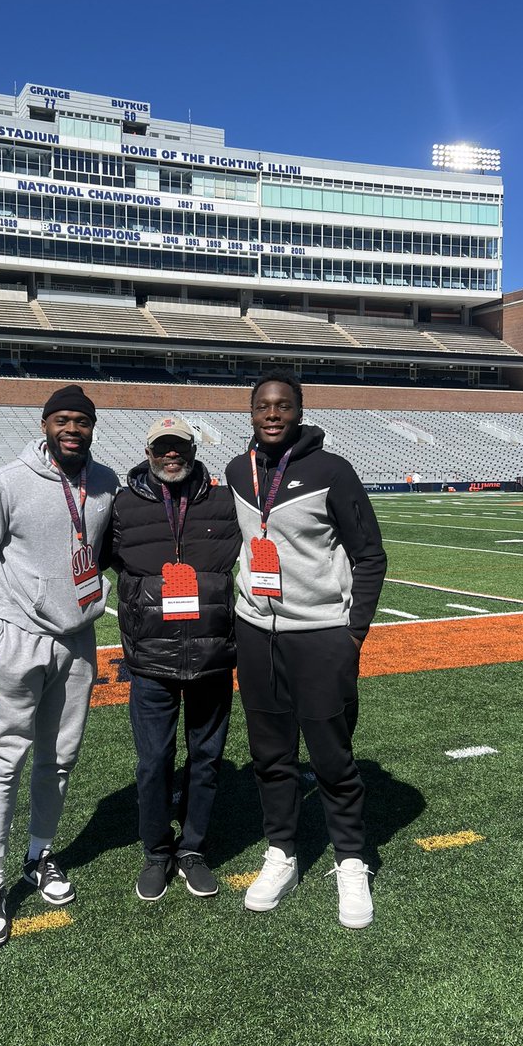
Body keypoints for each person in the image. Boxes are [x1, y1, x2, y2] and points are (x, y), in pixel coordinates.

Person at [0, 385, 119, 947]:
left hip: (78, 642)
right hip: (19, 641)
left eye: (82, 421)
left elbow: (101, 550)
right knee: (4, 761)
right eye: (63, 420)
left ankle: (39, 854)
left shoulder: (105, 483)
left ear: (92, 428)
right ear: (45, 424)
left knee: (61, 759)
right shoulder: (9, 481)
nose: (72, 429)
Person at [224, 370, 387, 929]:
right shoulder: (235, 472)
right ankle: (282, 852)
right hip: (256, 632)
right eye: (263, 406)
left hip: (320, 635)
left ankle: (350, 860)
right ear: (251, 412)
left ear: (299, 411)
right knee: (270, 756)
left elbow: (370, 555)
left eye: (283, 406)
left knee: (333, 758)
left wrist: (353, 632)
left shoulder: (332, 471)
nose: (272, 414)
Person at [109, 417, 241, 901]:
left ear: (192, 448)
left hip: (211, 656)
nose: (171, 455)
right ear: (148, 453)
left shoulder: (222, 500)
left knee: (206, 759)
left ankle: (193, 849)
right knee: (154, 762)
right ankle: (157, 851)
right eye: (162, 447)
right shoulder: (123, 506)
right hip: (151, 659)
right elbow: (100, 558)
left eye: (179, 446)